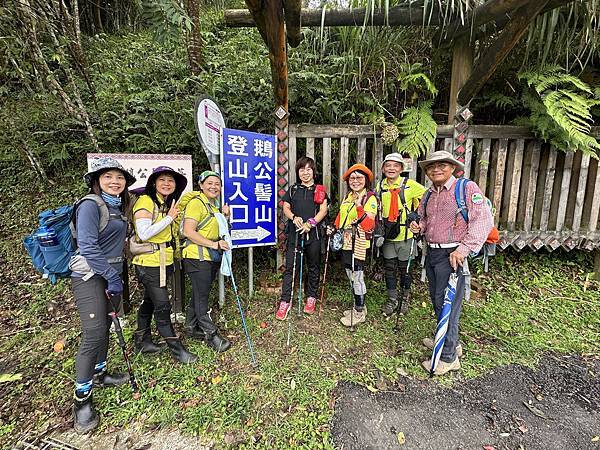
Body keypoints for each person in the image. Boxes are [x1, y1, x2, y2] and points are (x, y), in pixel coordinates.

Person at [409, 151, 493, 376]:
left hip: (454, 255)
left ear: (453, 168)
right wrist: (419, 227)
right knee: (439, 301)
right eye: (431, 167)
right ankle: (449, 341)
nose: (436, 169)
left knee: (449, 305)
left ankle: (448, 357)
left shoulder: (466, 188)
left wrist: (463, 250)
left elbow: (482, 220)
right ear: (427, 172)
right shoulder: (429, 195)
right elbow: (424, 219)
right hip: (433, 254)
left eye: (442, 165)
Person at [71, 157, 136, 433]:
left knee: (108, 325)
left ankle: (100, 372)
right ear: (97, 181)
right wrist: (110, 275)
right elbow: (86, 244)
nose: (114, 182)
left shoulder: (120, 207)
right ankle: (81, 400)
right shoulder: (89, 205)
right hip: (89, 275)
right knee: (94, 332)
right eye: (108, 176)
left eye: (119, 177)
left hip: (112, 274)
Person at [131, 166, 197, 364]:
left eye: (171, 180)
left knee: (149, 302)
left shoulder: (165, 203)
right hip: (149, 264)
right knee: (162, 306)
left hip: (162, 261)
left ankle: (142, 341)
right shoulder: (146, 201)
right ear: (153, 183)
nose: (167, 184)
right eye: (162, 180)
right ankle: (177, 350)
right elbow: (143, 233)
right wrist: (170, 218)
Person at [181, 170, 231, 352]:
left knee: (199, 293)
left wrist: (224, 217)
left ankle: (190, 326)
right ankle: (211, 334)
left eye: (217, 184)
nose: (214, 186)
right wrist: (214, 244)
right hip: (196, 256)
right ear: (201, 185)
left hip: (208, 257)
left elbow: (216, 230)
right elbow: (188, 231)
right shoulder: (196, 203)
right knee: (202, 296)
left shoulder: (213, 206)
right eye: (209, 183)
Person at [276, 156, 329, 320]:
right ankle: (285, 301)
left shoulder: (319, 190)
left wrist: (311, 223)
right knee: (291, 267)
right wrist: (294, 218)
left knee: (313, 267)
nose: (305, 173)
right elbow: (285, 207)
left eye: (308, 169)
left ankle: (311, 298)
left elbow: (323, 210)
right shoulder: (293, 189)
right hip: (295, 235)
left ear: (313, 171)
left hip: (313, 235)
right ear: (298, 172)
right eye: (301, 169)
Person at [376, 153, 426, 317]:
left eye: (395, 165)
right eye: (388, 165)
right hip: (388, 236)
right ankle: (392, 299)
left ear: (401, 168)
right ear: (383, 168)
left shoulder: (410, 185)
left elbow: (428, 199)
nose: (391, 168)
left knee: (405, 270)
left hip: (406, 236)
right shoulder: (380, 186)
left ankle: (405, 298)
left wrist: (418, 218)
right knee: (389, 269)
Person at [334, 164, 377, 327]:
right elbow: (341, 215)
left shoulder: (369, 198)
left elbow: (368, 226)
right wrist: (334, 227)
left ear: (366, 180)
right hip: (346, 242)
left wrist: (359, 206)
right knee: (350, 274)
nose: (355, 181)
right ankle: (359, 307)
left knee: (357, 277)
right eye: (352, 178)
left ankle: (359, 312)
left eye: (359, 177)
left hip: (359, 243)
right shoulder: (348, 196)